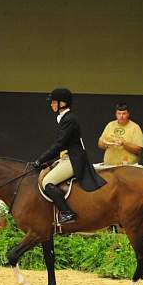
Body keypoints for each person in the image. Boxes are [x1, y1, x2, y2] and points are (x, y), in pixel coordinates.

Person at [33, 87, 106, 225]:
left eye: (54, 102)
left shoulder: (69, 119)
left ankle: (67, 213)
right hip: (67, 156)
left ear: (62, 103)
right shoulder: (64, 118)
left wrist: (40, 159)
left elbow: (60, 144)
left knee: (47, 183)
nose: (51, 104)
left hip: (74, 159)